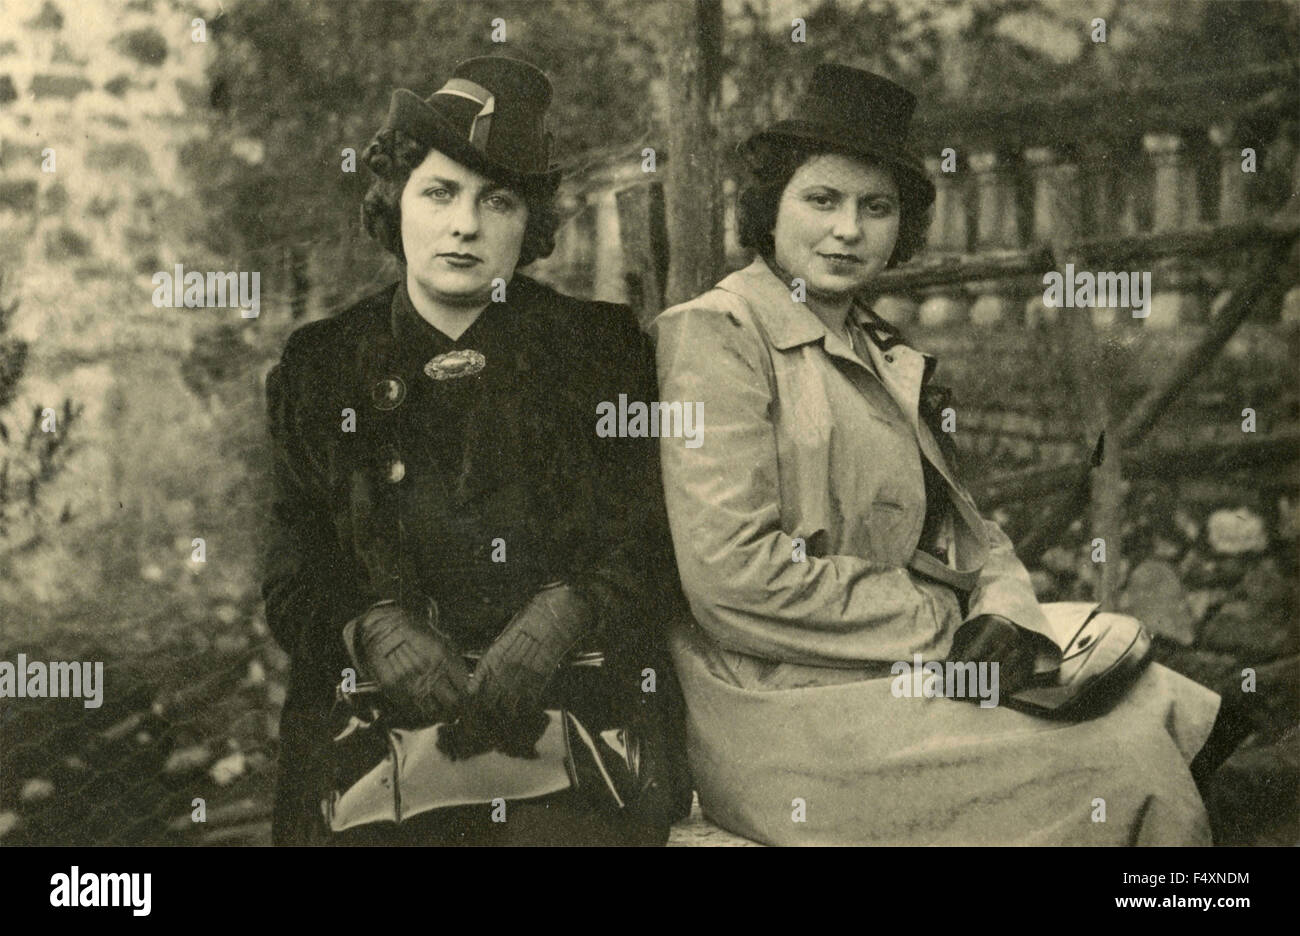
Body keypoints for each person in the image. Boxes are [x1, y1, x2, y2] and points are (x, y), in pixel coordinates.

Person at [650, 64, 1229, 845]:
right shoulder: (719, 334)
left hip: (900, 671)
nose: (848, 230)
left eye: (875, 207)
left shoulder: (881, 346)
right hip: (785, 709)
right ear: (770, 209)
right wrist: (943, 626)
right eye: (821, 200)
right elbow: (731, 578)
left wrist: (1003, 616)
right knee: (1127, 769)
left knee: (1162, 700)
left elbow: (971, 532)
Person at [263, 56, 687, 845]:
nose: (465, 225)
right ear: (393, 203)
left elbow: (657, 539)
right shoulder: (323, 364)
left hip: (579, 739)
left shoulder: (599, 353)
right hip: (373, 748)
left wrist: (573, 609)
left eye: (497, 200)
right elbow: (292, 571)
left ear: (530, 222)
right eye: (438, 193)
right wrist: (370, 628)